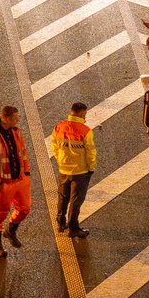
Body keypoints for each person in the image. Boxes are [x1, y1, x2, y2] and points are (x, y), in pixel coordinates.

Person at [0, 105, 32, 258]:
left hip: (20, 179)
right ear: (7, 119)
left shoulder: (17, 132)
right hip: (4, 183)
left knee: (25, 208)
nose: (18, 120)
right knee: (0, 213)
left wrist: (26, 173)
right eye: (15, 118)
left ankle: (10, 230)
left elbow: (23, 152)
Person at [51, 102, 96, 238]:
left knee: (63, 197)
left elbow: (54, 147)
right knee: (76, 200)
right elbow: (90, 152)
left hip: (64, 169)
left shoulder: (59, 127)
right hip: (80, 171)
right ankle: (73, 227)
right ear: (82, 113)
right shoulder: (85, 131)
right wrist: (91, 167)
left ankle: (60, 223)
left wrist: (61, 161)